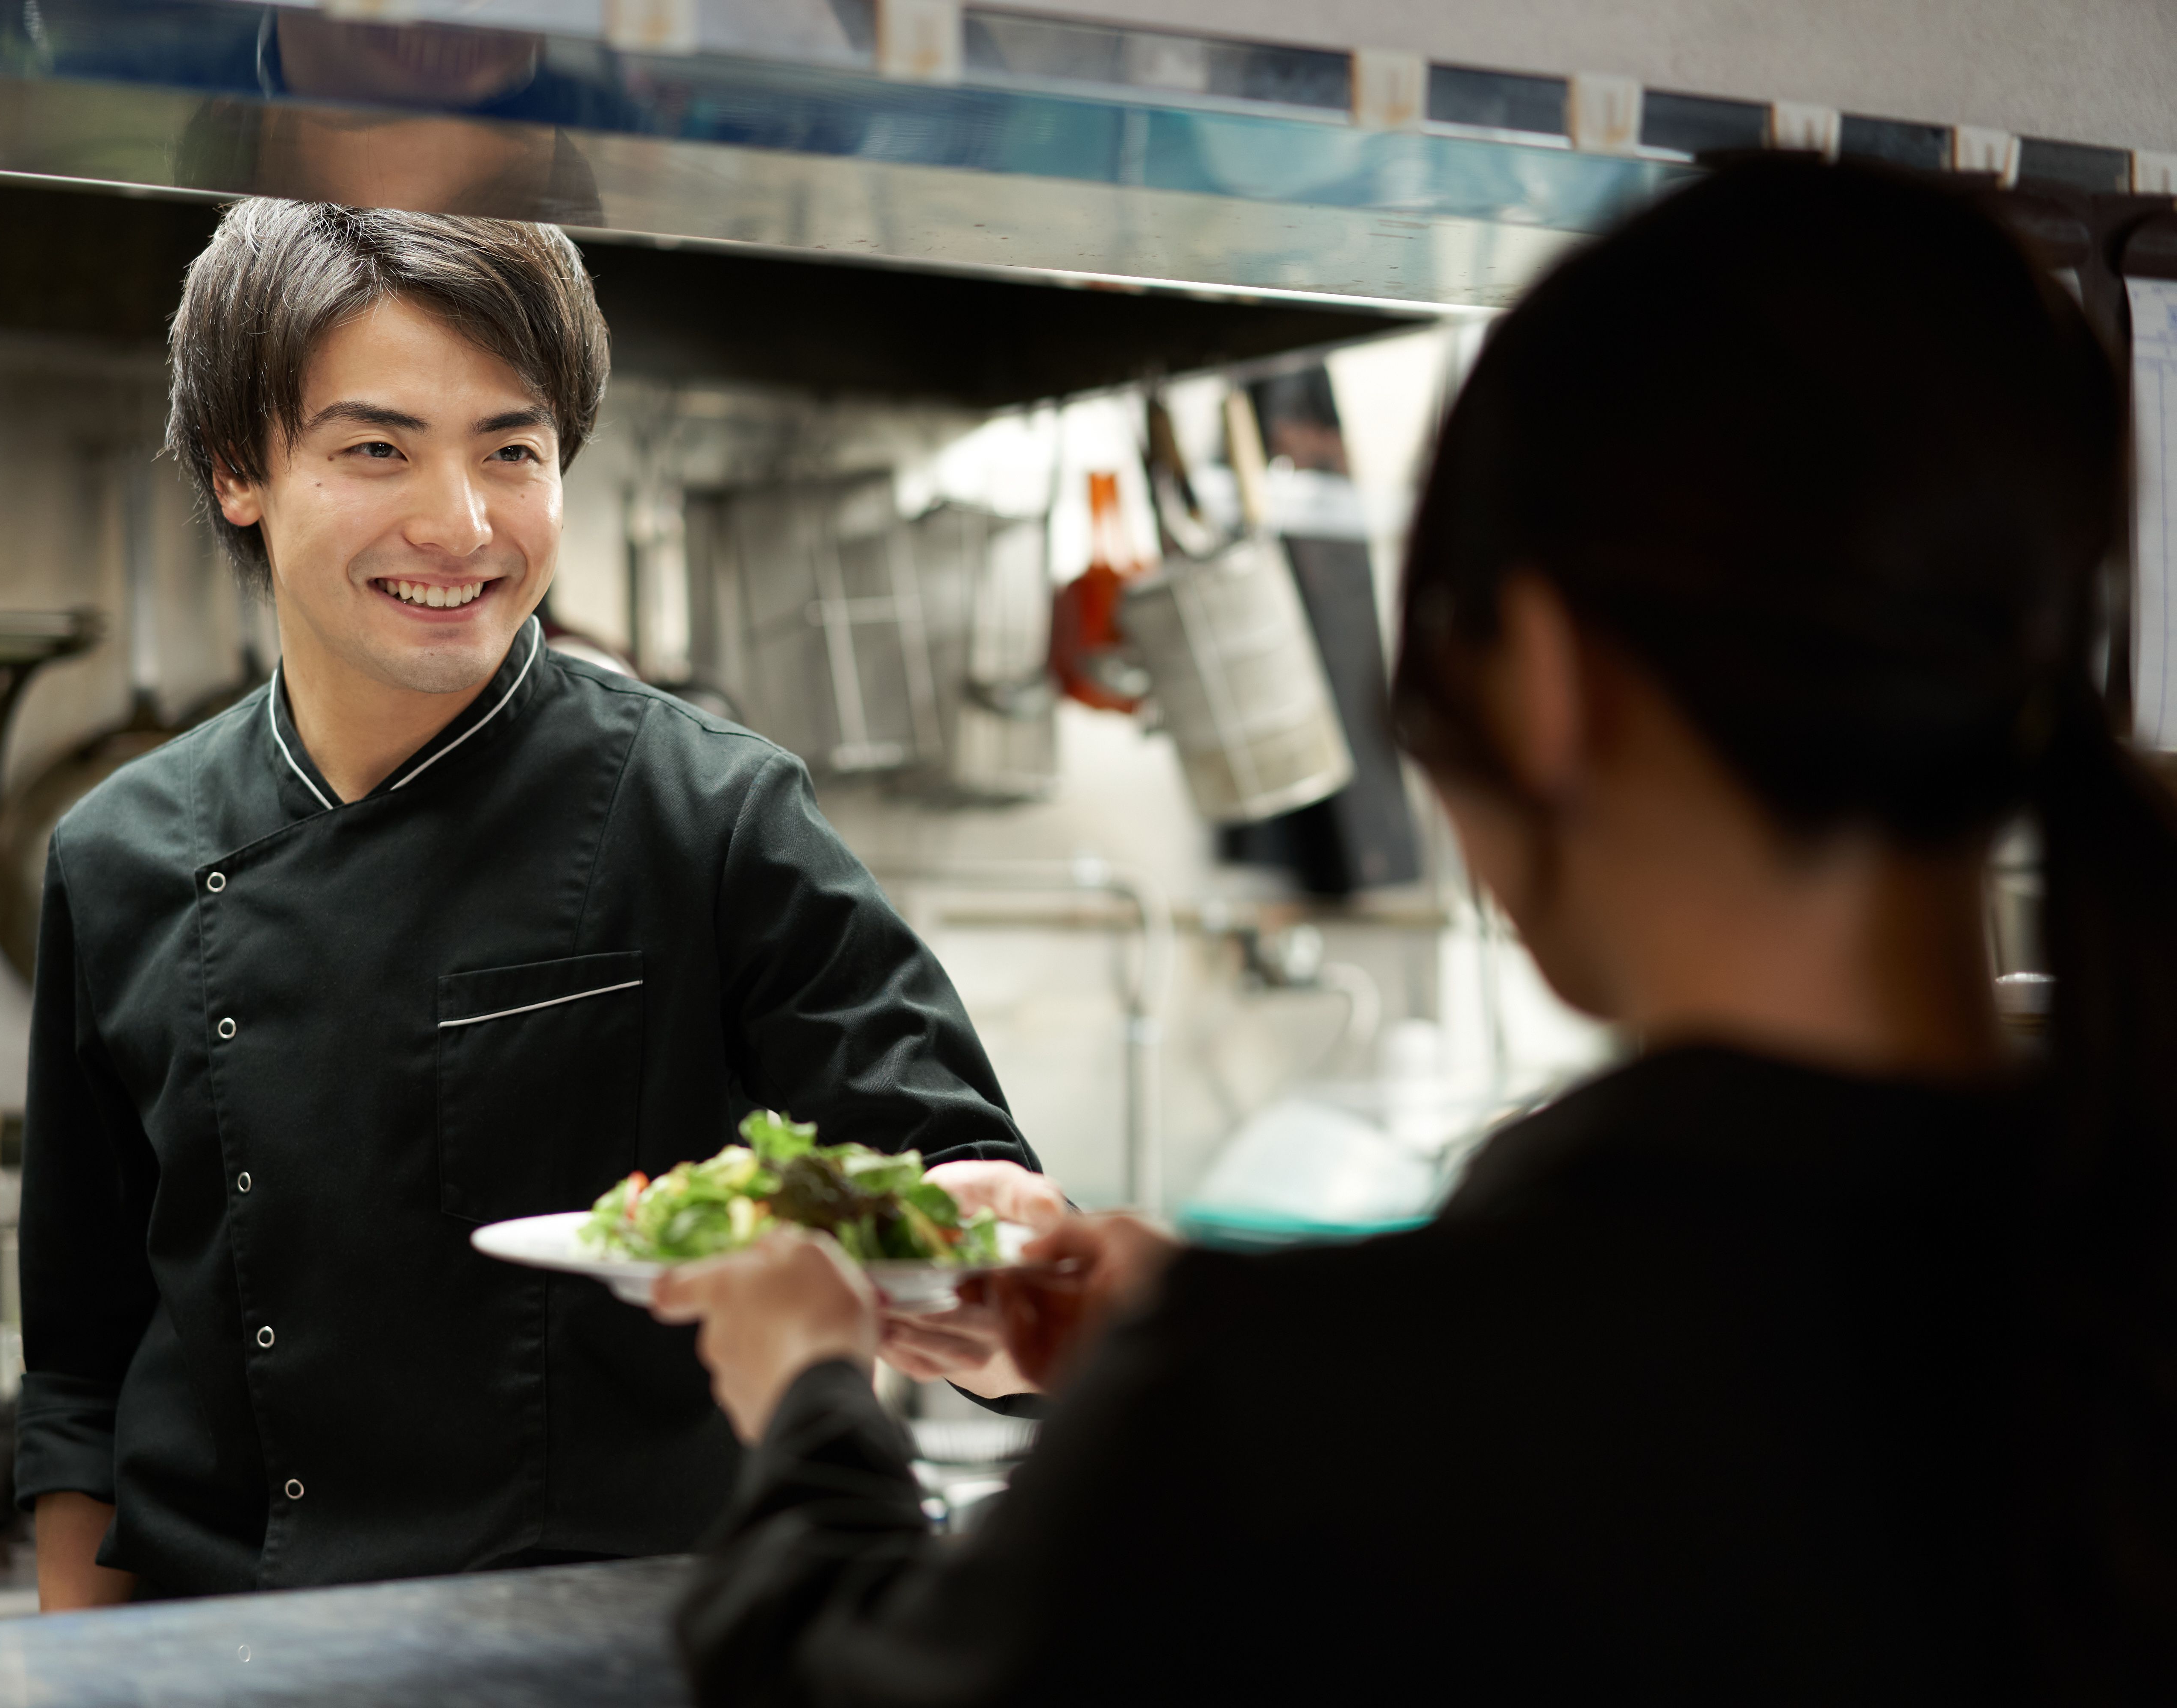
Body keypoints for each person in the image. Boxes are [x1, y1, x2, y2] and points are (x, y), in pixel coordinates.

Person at [655, 158, 2177, 1700]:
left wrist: (809, 1398)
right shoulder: (2099, 1297)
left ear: (1545, 680)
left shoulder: (1327, 1403)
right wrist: (1186, 1336)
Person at [14, 200, 1047, 1606]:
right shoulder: (116, 853)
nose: (461, 524)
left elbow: (957, 1197)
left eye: (514, 450)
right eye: (378, 450)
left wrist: (999, 1275)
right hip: (232, 1658)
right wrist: (79, 1679)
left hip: (620, 1654)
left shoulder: (709, 813)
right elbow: (82, 1369)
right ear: (237, 469)